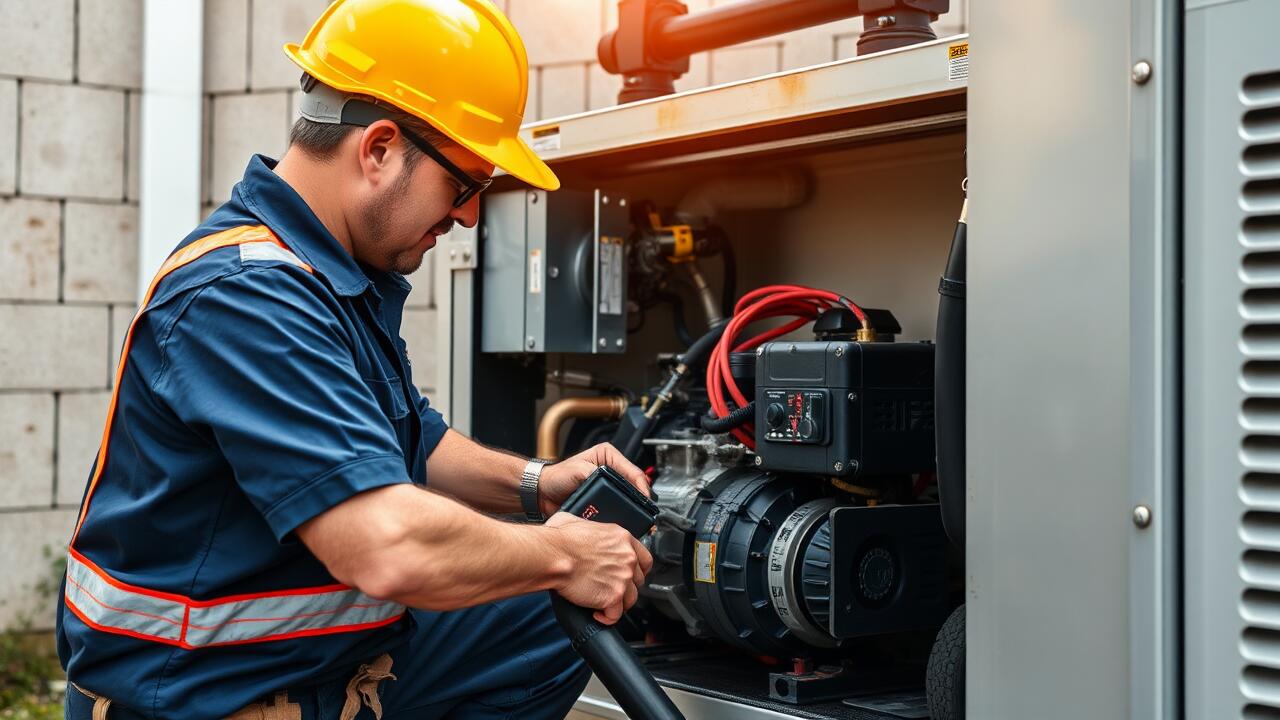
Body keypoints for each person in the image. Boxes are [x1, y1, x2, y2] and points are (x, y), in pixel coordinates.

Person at [57, 1, 652, 718]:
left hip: (304, 658)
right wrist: (569, 555)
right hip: (202, 693)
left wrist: (537, 484)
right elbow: (387, 547)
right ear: (377, 149)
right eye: (465, 185)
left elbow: (412, 437)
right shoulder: (248, 298)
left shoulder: (330, 275)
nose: (468, 216)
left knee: (540, 619)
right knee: (553, 582)